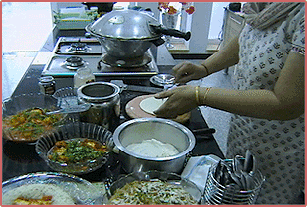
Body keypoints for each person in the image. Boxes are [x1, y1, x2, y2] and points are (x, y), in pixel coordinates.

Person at [153, 2, 305, 204]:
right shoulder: (260, 6)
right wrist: (205, 68)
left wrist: (199, 95)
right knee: (237, 190)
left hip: (282, 146)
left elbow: (286, 103)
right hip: (244, 128)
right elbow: (247, 37)